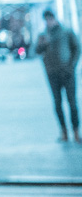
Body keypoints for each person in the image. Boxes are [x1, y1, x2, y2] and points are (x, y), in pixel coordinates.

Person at [35, 9, 80, 143]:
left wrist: (72, 65)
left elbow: (77, 48)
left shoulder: (66, 31)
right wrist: (42, 43)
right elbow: (36, 51)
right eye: (47, 19)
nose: (49, 22)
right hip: (52, 73)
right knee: (57, 103)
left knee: (72, 102)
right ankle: (64, 131)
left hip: (67, 72)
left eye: (50, 19)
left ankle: (76, 131)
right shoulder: (43, 35)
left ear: (54, 18)